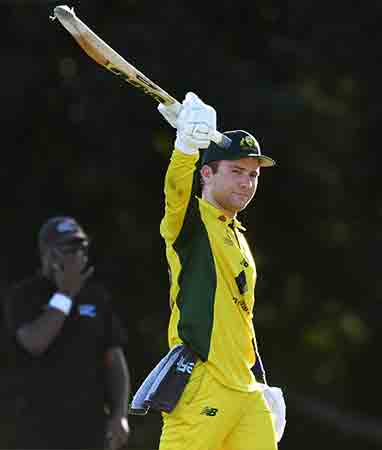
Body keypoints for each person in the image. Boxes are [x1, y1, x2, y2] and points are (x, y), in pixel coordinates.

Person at [153, 92, 282, 450]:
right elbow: (175, 193)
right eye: (237, 172)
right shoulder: (191, 223)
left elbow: (242, 317)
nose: (247, 183)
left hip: (245, 390)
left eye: (253, 175)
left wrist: (261, 381)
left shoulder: (236, 233)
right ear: (206, 174)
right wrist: (185, 149)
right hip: (202, 383)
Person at [3, 216, 130, 449]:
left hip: (90, 430)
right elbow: (35, 342)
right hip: (35, 433)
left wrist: (119, 414)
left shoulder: (95, 297)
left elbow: (114, 361)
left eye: (82, 247)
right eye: (70, 248)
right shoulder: (24, 296)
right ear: (49, 256)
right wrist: (66, 294)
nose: (79, 254)